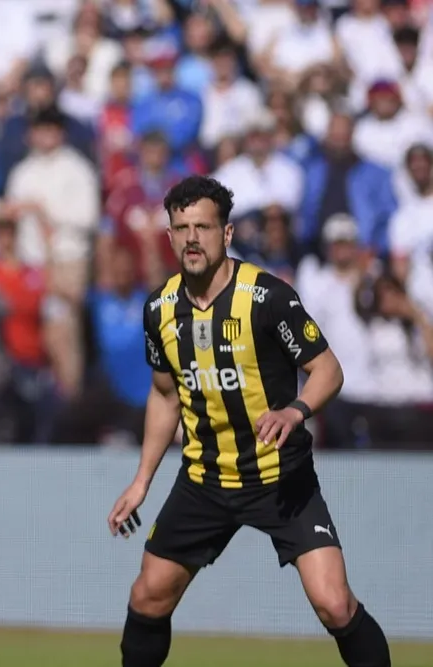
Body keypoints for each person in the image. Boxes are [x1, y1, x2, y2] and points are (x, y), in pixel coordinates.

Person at [107, 176, 391, 667]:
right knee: (148, 596)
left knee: (334, 603)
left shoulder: (268, 297)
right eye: (182, 227)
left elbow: (328, 370)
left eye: (203, 226)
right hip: (203, 480)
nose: (192, 237)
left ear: (227, 234)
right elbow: (164, 396)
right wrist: (141, 481)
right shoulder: (159, 309)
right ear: (170, 236)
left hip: (280, 478)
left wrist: (294, 410)